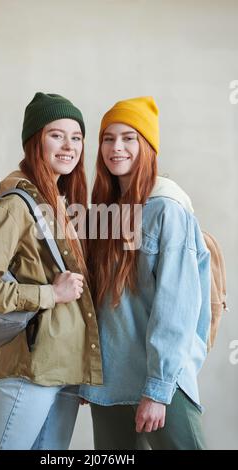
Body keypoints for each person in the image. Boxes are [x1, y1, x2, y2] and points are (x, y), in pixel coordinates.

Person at [0, 92, 103, 450]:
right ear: (34, 140)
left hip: (65, 370)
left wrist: (83, 370)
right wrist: (50, 293)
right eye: (57, 134)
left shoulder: (57, 201)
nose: (69, 146)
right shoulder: (15, 205)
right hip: (32, 368)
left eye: (77, 137)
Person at [78, 96, 211, 450]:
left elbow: (176, 306)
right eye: (108, 138)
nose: (116, 147)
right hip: (111, 386)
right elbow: (102, 305)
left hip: (161, 382)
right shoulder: (105, 210)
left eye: (128, 138)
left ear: (148, 146)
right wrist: (87, 374)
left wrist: (157, 389)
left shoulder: (166, 207)